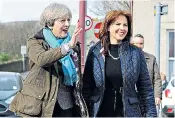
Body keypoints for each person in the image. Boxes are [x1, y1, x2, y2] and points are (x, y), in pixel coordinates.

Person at [9, 3, 88, 117]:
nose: (67, 24)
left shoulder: (73, 44)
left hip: (67, 106)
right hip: (41, 107)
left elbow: (77, 76)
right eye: (62, 20)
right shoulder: (36, 41)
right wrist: (66, 47)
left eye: (68, 20)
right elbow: (42, 59)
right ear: (50, 23)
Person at [82, 10, 157, 117]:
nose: (122, 28)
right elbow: (86, 87)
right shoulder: (95, 51)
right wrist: (85, 113)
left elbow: (146, 89)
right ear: (108, 27)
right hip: (100, 112)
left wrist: (151, 115)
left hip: (129, 112)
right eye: (118, 24)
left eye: (125, 25)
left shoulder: (135, 52)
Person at [132, 34, 162, 106]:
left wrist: (157, 96)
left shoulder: (151, 59)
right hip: (131, 97)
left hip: (147, 96)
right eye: (136, 43)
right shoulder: (126, 59)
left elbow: (157, 79)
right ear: (132, 44)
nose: (138, 46)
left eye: (141, 43)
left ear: (143, 45)